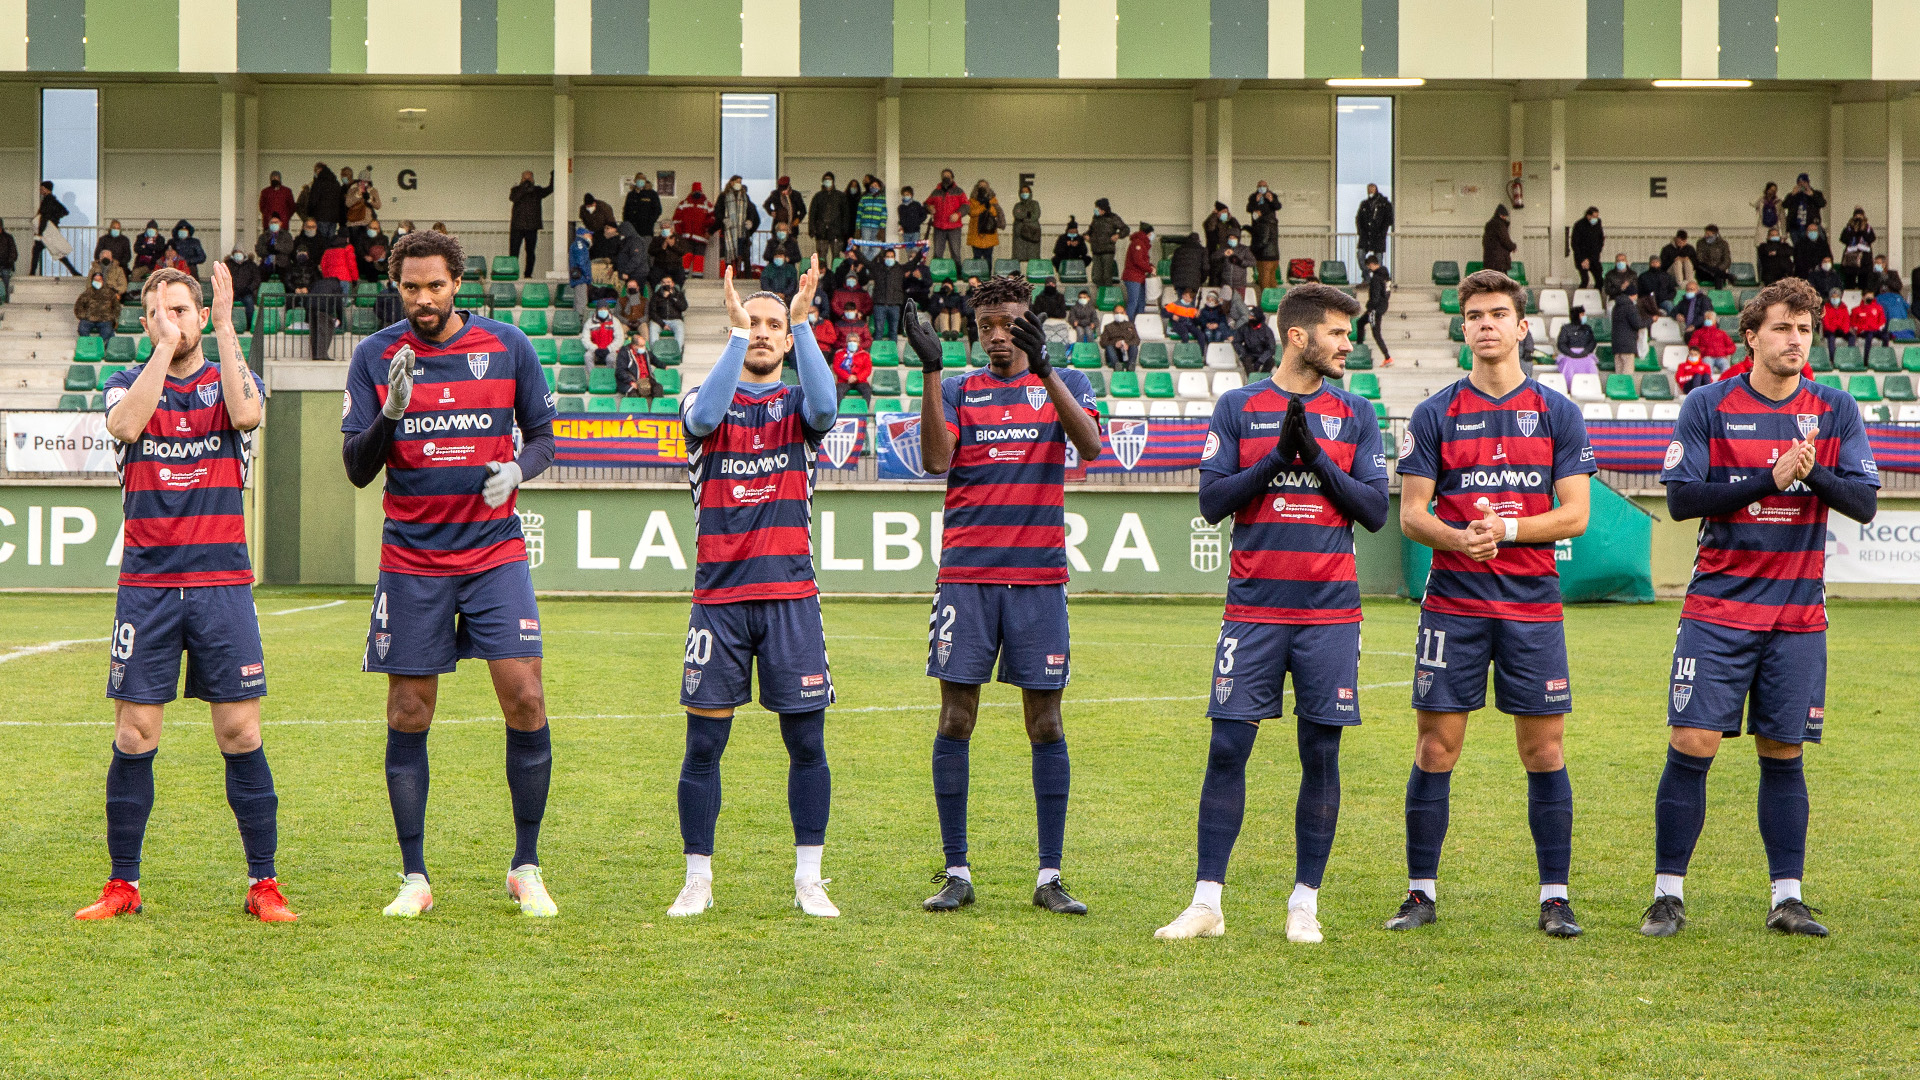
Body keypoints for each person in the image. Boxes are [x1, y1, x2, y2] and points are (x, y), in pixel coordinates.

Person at [1642, 277, 1879, 941]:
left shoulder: (1834, 410)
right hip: (1718, 608)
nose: (1795, 340)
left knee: (1784, 751)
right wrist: (1766, 480)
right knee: (1692, 742)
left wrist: (1809, 474)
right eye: (1782, 328)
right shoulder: (1708, 405)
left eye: (1805, 330)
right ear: (1751, 335)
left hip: (1797, 615)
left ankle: (1788, 897)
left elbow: (1862, 503)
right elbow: (1684, 499)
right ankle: (1667, 895)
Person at [1154, 283, 1389, 945]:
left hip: (1331, 616)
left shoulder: (1356, 413)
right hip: (1253, 612)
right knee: (1227, 747)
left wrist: (1312, 457)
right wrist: (1274, 461)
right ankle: (1207, 903)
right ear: (1298, 335)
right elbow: (1211, 501)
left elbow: (1374, 511)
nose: (1348, 345)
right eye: (1339, 334)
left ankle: (1304, 904)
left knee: (1321, 752)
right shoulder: (1238, 407)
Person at [340, 229, 560, 920]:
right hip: (412, 558)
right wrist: (390, 413)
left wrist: (516, 469)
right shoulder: (375, 357)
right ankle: (414, 876)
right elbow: (356, 467)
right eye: (411, 287)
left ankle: (526, 865)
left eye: (435, 286)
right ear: (397, 286)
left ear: (457, 282)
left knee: (525, 696)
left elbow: (547, 437)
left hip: (493, 552)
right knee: (409, 710)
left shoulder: (507, 346)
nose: (423, 299)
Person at [77, 263, 290, 923]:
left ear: (201, 314)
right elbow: (125, 428)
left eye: (183, 309)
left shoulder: (230, 380)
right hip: (148, 584)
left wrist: (226, 326)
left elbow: (249, 412)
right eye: (160, 312)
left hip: (222, 581)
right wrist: (165, 350)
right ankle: (124, 886)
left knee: (240, 732)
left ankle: (263, 885)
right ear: (146, 322)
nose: (173, 319)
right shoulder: (122, 382)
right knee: (136, 733)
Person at [1390, 269, 1597, 939]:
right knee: (1434, 748)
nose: (1485, 324)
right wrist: (1459, 538)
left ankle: (1555, 897)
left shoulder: (1557, 412)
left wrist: (1503, 530)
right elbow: (1413, 515)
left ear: (1520, 327)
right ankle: (1420, 893)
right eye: (1474, 314)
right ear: (1464, 328)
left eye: (1497, 313)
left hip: (1532, 606)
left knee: (1543, 751)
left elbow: (1575, 516)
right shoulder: (1435, 413)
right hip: (1453, 605)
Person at [903, 275, 1103, 917]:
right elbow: (936, 460)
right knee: (956, 718)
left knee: (1045, 722)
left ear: (1028, 324)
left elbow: (1093, 447)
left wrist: (1045, 372)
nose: (995, 335)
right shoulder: (960, 389)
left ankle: (1050, 876)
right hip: (966, 578)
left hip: (1039, 579)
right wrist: (932, 371)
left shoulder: (1066, 383)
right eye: (985, 325)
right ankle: (957, 871)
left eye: (1008, 323)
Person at [668, 260, 839, 918]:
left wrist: (803, 320)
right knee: (704, 746)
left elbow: (826, 405)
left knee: (806, 744)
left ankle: (808, 880)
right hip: (719, 604)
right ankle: (697, 879)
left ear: (789, 338)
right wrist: (735, 335)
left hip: (791, 600)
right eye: (754, 323)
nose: (763, 332)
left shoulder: (798, 407)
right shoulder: (698, 398)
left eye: (773, 326)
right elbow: (707, 417)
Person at [864, 244, 919, 342]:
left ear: (894, 258)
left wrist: (923, 250)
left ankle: (893, 353)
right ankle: (878, 354)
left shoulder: (900, 269)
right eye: (888, 257)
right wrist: (855, 249)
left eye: (891, 257)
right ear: (884, 258)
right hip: (879, 304)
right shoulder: (877, 268)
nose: (890, 258)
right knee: (879, 331)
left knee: (893, 331)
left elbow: (914, 262)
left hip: (895, 305)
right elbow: (865, 262)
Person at [713, 175, 761, 274]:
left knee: (744, 255)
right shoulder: (723, 196)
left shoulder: (745, 197)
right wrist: (724, 219)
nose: (739, 184)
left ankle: (746, 276)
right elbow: (718, 211)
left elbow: (751, 211)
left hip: (741, 231)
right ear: (731, 182)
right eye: (737, 181)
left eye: (740, 182)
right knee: (728, 255)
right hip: (728, 231)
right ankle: (729, 275)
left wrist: (750, 221)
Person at [31, 180, 80, 276]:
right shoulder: (54, 200)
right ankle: (74, 272)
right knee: (56, 252)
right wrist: (55, 219)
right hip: (50, 229)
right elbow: (64, 211)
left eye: (42, 189)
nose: (41, 191)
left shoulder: (47, 201)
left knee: (38, 250)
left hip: (45, 231)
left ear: (46, 189)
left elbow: (44, 217)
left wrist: (40, 232)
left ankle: (32, 273)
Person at [1354, 253, 1393, 365]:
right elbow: (1387, 293)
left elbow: (1375, 296)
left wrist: (1370, 308)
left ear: (1371, 264)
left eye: (1368, 266)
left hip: (1375, 309)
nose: (1368, 269)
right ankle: (1359, 346)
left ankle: (1387, 357)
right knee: (1360, 323)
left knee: (1376, 333)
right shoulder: (1386, 276)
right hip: (1382, 305)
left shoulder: (1376, 278)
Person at [925, 170, 969, 263]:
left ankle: (957, 275)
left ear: (952, 178)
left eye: (948, 176)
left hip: (954, 228)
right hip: (939, 227)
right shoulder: (936, 192)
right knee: (937, 254)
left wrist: (958, 214)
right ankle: (937, 274)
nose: (946, 177)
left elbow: (966, 205)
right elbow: (926, 204)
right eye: (944, 176)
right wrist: (929, 207)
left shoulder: (959, 191)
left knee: (956, 253)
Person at [807, 172, 849, 264]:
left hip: (837, 232)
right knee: (821, 256)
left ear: (833, 181)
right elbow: (812, 214)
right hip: (821, 231)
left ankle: (835, 276)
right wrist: (812, 229)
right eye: (826, 179)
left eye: (829, 179)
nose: (827, 181)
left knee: (836, 256)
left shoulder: (840, 196)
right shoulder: (818, 196)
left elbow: (845, 214)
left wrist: (845, 230)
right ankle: (823, 275)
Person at [673, 183, 712, 277]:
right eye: (695, 191)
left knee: (699, 258)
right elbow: (676, 220)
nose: (697, 192)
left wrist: (708, 231)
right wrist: (679, 234)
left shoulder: (708, 205)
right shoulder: (684, 204)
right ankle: (682, 276)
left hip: (701, 238)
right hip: (686, 237)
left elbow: (713, 220)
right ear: (692, 191)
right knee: (686, 256)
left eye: (698, 191)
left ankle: (697, 278)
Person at [1611, 285, 1650, 375]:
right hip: (1628, 346)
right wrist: (1651, 320)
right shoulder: (1630, 307)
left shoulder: (1615, 307)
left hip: (1617, 345)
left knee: (1619, 375)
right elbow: (1638, 324)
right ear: (1633, 295)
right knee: (1627, 377)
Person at [1088, 197, 1126, 288]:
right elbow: (1090, 230)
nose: (1096, 210)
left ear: (1102, 209)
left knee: (1107, 276)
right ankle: (1100, 294)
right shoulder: (1095, 218)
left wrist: (1118, 235)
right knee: (1097, 277)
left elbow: (1125, 229)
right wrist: (1086, 235)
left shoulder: (1113, 218)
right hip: (1096, 251)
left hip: (1108, 251)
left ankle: (1107, 295)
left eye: (1097, 208)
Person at [831, 326, 874, 406]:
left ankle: (863, 413)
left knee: (867, 391)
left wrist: (857, 377)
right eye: (850, 341)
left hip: (861, 381)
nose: (852, 343)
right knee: (838, 391)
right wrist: (848, 377)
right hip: (844, 381)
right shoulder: (839, 353)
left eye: (854, 341)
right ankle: (840, 414)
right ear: (846, 343)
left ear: (858, 343)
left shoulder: (865, 354)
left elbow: (867, 369)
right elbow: (836, 368)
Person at [303, 161, 345, 240]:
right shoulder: (336, 183)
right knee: (331, 241)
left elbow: (313, 200)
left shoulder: (318, 183)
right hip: (334, 218)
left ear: (319, 170)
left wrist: (309, 213)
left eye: (315, 171)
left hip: (321, 217)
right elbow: (340, 201)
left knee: (321, 241)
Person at [1555, 305, 1599, 380]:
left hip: (1585, 355)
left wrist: (1586, 351)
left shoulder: (1587, 328)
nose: (1584, 316)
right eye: (1582, 314)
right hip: (1569, 356)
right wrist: (1570, 353)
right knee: (1567, 363)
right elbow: (1561, 343)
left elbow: (1592, 342)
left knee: (1591, 363)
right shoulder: (1565, 328)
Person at [1122, 223, 1154, 321]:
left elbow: (1142, 260)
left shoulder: (1141, 243)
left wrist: (1150, 266)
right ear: (1148, 233)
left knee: (1141, 303)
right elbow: (1138, 261)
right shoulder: (1138, 243)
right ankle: (1128, 325)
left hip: (1139, 277)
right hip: (1133, 278)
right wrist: (1150, 269)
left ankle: (1139, 324)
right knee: (1133, 302)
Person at [1355, 183, 1394, 265]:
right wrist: (1361, 231)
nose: (1370, 191)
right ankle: (1366, 274)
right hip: (1365, 236)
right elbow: (1359, 218)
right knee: (1360, 255)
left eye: (1372, 189)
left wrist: (1382, 232)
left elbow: (1388, 219)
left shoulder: (1384, 204)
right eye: (1369, 189)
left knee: (1378, 259)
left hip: (1378, 236)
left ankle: (1377, 275)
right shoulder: (1364, 204)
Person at [965, 180, 1003, 263]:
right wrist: (983, 207)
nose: (982, 188)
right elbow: (971, 212)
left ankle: (988, 275)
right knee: (976, 258)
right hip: (976, 234)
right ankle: (976, 275)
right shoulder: (972, 200)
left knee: (988, 258)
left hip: (989, 234)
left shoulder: (993, 199)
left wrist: (989, 207)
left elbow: (996, 213)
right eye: (980, 186)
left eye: (985, 186)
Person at [1782, 173, 1824, 246]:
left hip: (1810, 228)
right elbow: (1784, 205)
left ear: (1808, 183)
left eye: (1804, 182)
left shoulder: (1816, 193)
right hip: (1795, 228)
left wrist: (1812, 195)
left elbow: (1822, 203)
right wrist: (1792, 194)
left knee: (1811, 249)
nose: (1802, 185)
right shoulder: (1792, 195)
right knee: (1798, 250)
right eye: (1799, 183)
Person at [74, 269, 120, 338]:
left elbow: (117, 307)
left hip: (105, 319)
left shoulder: (110, 293)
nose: (97, 282)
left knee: (107, 332)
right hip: (89, 319)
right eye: (95, 280)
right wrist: (84, 316)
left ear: (103, 281)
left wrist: (111, 317)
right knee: (82, 330)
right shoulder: (87, 293)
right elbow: (78, 306)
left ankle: (101, 347)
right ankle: (88, 346)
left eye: (99, 280)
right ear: (92, 281)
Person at [224, 247, 261, 329]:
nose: (238, 254)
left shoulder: (251, 265)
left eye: (240, 252)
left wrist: (249, 289)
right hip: (232, 292)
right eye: (236, 252)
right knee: (225, 305)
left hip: (246, 292)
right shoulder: (228, 264)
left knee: (250, 304)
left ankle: (249, 325)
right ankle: (226, 325)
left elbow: (257, 279)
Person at [1839, 208, 1876, 290]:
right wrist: (1853, 231)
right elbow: (1843, 239)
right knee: (1850, 284)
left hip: (1864, 261)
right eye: (1856, 216)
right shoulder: (1849, 228)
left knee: (1864, 284)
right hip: (1851, 260)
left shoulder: (1868, 228)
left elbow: (1871, 239)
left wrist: (1863, 230)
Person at [614, 328, 656, 400]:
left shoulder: (645, 351)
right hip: (629, 381)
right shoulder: (624, 353)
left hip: (645, 379)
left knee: (658, 388)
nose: (644, 348)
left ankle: (657, 410)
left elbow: (654, 359)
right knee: (633, 393)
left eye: (644, 345)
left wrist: (663, 365)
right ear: (634, 345)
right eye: (641, 346)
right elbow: (620, 371)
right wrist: (630, 382)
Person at [1229, 309, 1273, 375]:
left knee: (1270, 361)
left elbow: (1271, 348)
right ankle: (1251, 379)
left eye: (1253, 317)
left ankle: (1262, 379)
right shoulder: (1244, 328)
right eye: (1250, 316)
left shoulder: (1266, 330)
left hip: (1262, 353)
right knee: (1246, 360)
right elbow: (1236, 342)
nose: (1250, 318)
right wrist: (1243, 353)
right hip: (1249, 353)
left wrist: (1260, 361)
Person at [1571, 208, 1605, 290]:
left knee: (1599, 280)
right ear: (1588, 216)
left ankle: (1597, 297)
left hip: (1594, 257)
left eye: (1597, 216)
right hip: (1582, 257)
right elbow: (1575, 243)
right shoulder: (1579, 225)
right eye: (1594, 216)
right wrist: (1583, 259)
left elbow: (1600, 240)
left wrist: (1592, 257)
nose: (1595, 219)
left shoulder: (1598, 223)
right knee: (1585, 280)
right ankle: (1580, 298)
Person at [648, 276, 688, 345]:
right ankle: (655, 352)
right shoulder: (656, 295)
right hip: (660, 320)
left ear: (672, 284)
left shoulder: (678, 294)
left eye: (668, 282)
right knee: (652, 327)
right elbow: (652, 312)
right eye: (663, 283)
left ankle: (678, 351)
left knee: (680, 328)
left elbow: (683, 307)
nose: (666, 284)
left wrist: (671, 297)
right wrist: (662, 324)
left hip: (675, 320)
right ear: (661, 284)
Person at [623, 172, 663, 236]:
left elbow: (658, 210)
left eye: (643, 179)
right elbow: (626, 210)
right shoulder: (631, 194)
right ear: (635, 180)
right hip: (632, 227)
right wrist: (626, 223)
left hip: (646, 228)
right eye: (638, 178)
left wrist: (650, 221)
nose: (640, 180)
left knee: (645, 244)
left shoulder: (652, 194)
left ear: (645, 181)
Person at [1170, 232, 1208, 298]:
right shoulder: (1202, 250)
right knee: (1190, 303)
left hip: (1179, 282)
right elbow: (1205, 267)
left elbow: (1172, 267)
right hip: (1193, 282)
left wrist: (1174, 281)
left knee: (1181, 303)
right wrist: (1202, 280)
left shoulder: (1178, 250)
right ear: (1198, 240)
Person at [582, 305, 620, 371]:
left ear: (608, 310)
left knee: (612, 359)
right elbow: (585, 339)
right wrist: (595, 349)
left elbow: (619, 338)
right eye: (600, 309)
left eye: (605, 309)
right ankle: (592, 377)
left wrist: (609, 349)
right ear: (596, 310)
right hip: (595, 350)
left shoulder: (615, 321)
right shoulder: (589, 322)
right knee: (587, 356)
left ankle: (610, 378)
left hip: (610, 350)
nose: (603, 311)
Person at [1203, 202, 1241, 267]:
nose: (1225, 214)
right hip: (1216, 253)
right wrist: (1214, 215)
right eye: (1223, 211)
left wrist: (1232, 219)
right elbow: (1209, 226)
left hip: (1228, 253)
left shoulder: (1231, 223)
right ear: (1218, 212)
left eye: (1226, 212)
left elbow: (1238, 230)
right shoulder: (1213, 222)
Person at [1010, 185, 1042, 262]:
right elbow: (1017, 214)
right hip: (1019, 235)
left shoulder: (1035, 204)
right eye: (1022, 192)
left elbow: (1036, 215)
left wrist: (1024, 218)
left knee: (1033, 258)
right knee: (1018, 257)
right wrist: (1028, 214)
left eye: (1026, 192)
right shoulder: (1017, 205)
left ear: (1030, 193)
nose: (1024, 193)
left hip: (1032, 234)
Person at [256, 215, 293, 279]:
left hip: (282, 265)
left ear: (280, 223)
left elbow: (289, 248)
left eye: (276, 222)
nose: (274, 224)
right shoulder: (263, 236)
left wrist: (276, 247)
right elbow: (259, 250)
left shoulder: (286, 235)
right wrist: (268, 249)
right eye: (272, 222)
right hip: (267, 264)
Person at [1481, 205, 1515, 273]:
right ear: (1501, 215)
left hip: (1489, 261)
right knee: (1501, 281)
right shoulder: (1500, 225)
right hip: (1499, 261)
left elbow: (1484, 242)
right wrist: (1513, 247)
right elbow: (1505, 239)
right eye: (1505, 216)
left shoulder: (1489, 225)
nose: (1506, 218)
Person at [852, 178, 887, 244]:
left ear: (879, 187)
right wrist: (858, 228)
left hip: (877, 227)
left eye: (876, 185)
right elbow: (859, 214)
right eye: (872, 186)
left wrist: (882, 228)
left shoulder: (882, 199)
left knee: (875, 248)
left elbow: (884, 214)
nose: (874, 187)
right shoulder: (864, 198)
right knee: (865, 247)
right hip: (865, 227)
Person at [1820, 289, 1850, 364]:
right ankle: (1833, 360)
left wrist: (1844, 330)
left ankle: (1850, 357)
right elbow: (1825, 323)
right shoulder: (1826, 308)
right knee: (1831, 338)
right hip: (1830, 331)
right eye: (1833, 297)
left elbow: (1846, 321)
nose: (1835, 299)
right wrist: (1833, 329)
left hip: (1841, 330)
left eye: (1837, 297)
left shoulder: (1844, 308)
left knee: (1851, 337)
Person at [1752, 181, 1782, 246]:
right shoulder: (1761, 200)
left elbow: (1782, 218)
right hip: (1762, 229)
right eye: (1771, 190)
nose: (1772, 192)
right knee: (1761, 249)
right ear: (1767, 189)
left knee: (1774, 250)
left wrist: (1783, 233)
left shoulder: (1778, 202)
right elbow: (1752, 203)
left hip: (1774, 229)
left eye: (1774, 191)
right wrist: (1762, 196)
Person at [0, 218, 15, 295]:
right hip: (4, 265)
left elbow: (13, 253)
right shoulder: (8, 237)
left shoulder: (8, 238)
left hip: (6, 266)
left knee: (6, 282)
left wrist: (8, 263)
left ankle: (6, 300)